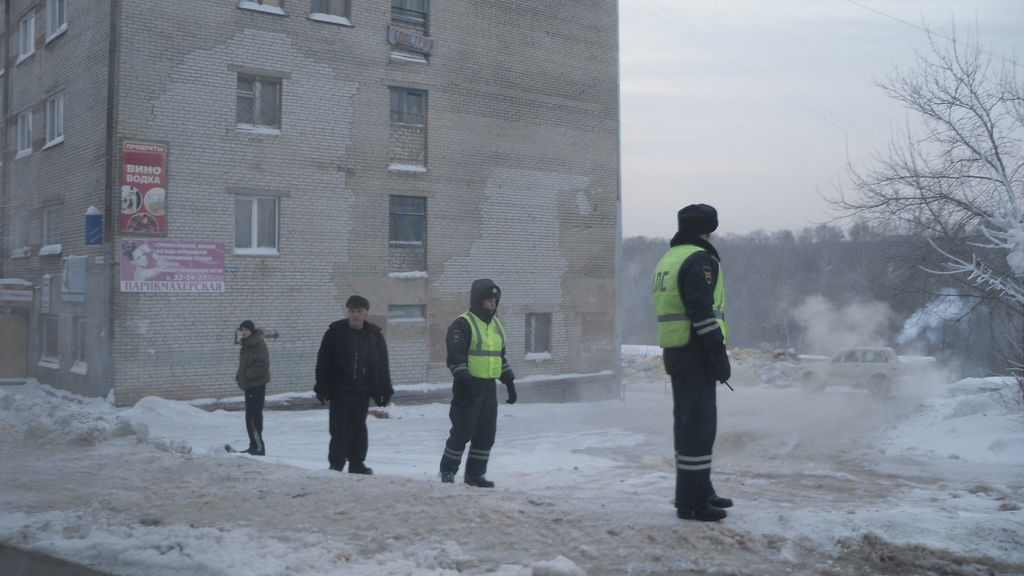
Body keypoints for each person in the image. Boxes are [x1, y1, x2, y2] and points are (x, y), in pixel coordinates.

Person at [651, 203, 733, 522]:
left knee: (688, 423)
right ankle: (693, 502)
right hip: (696, 349)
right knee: (698, 425)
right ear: (707, 229)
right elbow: (701, 310)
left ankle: (699, 489)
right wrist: (717, 352)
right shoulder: (699, 259)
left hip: (676, 349)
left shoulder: (670, 257)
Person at [439, 278, 517, 487]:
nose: (492, 304)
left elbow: (499, 357)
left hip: (488, 388)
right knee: (462, 431)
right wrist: (462, 376)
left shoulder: (496, 325)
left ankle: (475, 475)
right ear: (478, 300)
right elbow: (455, 355)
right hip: (468, 387)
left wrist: (509, 382)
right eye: (488, 300)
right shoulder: (463, 323)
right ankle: (448, 471)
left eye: (495, 301)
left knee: (486, 434)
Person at [314, 295, 393, 475]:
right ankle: (336, 464)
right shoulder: (335, 333)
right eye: (352, 311)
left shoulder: (374, 335)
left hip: (362, 391)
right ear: (348, 312)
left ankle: (357, 463)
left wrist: (385, 389)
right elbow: (323, 361)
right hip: (339, 390)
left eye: (359, 311)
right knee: (339, 428)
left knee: (359, 428)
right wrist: (321, 385)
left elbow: (382, 365)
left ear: (365, 313)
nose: (355, 315)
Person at [236, 319, 270, 456]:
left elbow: (262, 365)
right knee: (250, 417)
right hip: (250, 386)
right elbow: (245, 364)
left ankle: (258, 447)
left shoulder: (258, 345)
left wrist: (247, 376)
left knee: (254, 417)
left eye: (246, 329)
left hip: (256, 386)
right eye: (242, 330)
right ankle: (254, 446)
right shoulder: (246, 345)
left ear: (251, 330)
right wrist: (239, 376)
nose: (243, 332)